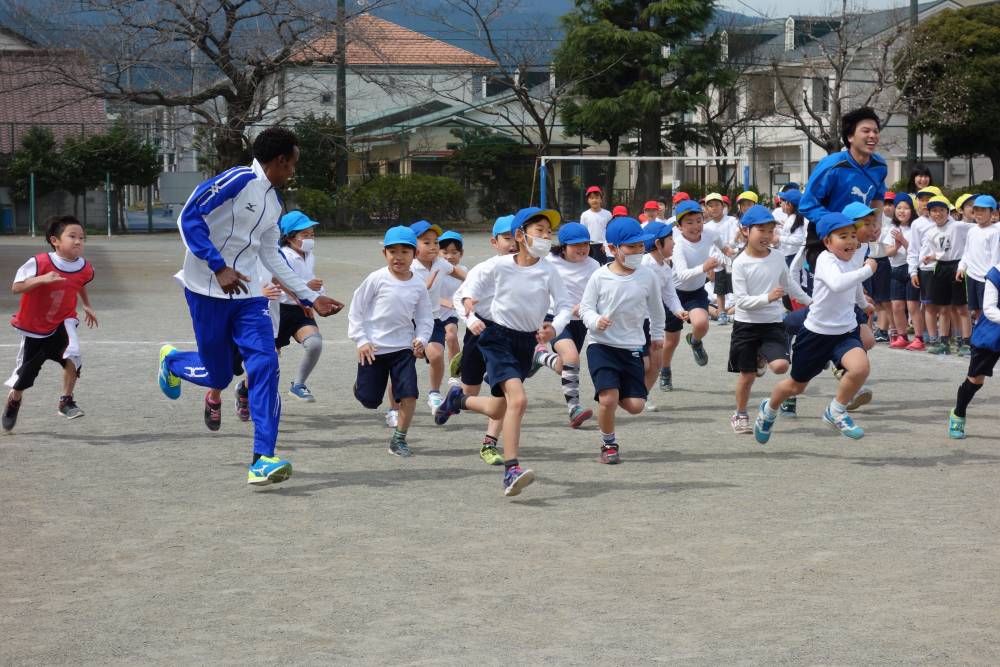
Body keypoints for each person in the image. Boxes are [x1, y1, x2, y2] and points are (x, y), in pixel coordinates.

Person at [156, 127, 342, 486]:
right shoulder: (237, 180)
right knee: (220, 376)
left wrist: (309, 297)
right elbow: (188, 218)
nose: (294, 171)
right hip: (204, 289)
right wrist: (218, 266)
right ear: (280, 159)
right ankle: (173, 362)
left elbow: (271, 254)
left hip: (249, 298)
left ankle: (262, 458)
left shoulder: (274, 202)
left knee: (266, 364)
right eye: (293, 163)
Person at [435, 207, 572, 497]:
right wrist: (470, 320)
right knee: (518, 401)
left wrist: (553, 328)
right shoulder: (495, 266)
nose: (547, 237)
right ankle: (511, 469)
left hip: (525, 342)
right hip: (496, 337)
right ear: (521, 236)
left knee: (499, 407)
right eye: (540, 231)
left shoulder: (549, 271)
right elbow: (463, 296)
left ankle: (457, 399)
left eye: (550, 232)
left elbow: (563, 307)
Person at [754, 212, 877, 443]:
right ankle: (768, 410)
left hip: (845, 331)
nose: (850, 241)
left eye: (852, 235)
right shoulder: (825, 260)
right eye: (843, 236)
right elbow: (839, 284)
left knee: (860, 368)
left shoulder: (851, 258)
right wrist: (869, 269)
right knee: (795, 387)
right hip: (816, 334)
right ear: (828, 242)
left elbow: (854, 283)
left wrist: (863, 304)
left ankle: (836, 410)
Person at [579, 217, 665, 464]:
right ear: (613, 248)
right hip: (601, 345)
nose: (638, 251)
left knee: (636, 406)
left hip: (632, 347)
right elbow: (585, 309)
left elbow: (657, 311)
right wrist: (596, 321)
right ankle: (608, 444)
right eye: (631, 247)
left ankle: (647, 376)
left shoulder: (647, 276)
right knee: (608, 398)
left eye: (640, 246)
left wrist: (657, 336)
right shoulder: (599, 276)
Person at [3, 216, 97, 432]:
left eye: (81, 238)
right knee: (24, 376)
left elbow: (79, 282)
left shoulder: (84, 267)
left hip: (64, 321)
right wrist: (41, 279)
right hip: (34, 328)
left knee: (73, 355)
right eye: (72, 236)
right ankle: (14, 399)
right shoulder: (39, 262)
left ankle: (66, 401)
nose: (78, 241)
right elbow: (16, 287)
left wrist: (87, 305)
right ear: (55, 240)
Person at [348, 226, 433, 457]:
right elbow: (356, 310)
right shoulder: (376, 279)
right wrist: (361, 340)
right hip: (373, 349)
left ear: (414, 255)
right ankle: (361, 388)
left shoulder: (418, 285)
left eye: (405, 251)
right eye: (392, 251)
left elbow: (425, 317)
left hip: (403, 349)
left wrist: (422, 339)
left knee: (409, 393)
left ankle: (399, 439)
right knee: (369, 400)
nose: (399, 256)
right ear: (384, 254)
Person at [728, 205, 811, 434]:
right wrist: (768, 297)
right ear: (746, 231)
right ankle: (740, 413)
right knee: (747, 376)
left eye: (770, 230)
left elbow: (789, 284)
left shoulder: (777, 257)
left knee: (782, 366)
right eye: (761, 230)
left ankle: (763, 357)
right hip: (746, 326)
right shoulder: (740, 263)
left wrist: (809, 301)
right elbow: (741, 302)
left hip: (773, 323)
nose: (766, 236)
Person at [450, 216, 518, 466]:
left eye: (516, 237)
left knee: (507, 395)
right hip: (479, 331)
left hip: (509, 335)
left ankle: (489, 444)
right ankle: (456, 399)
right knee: (471, 391)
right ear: (494, 241)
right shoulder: (484, 268)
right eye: (506, 238)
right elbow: (460, 298)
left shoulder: (530, 268)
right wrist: (471, 321)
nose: (513, 243)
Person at [538, 222, 600, 428]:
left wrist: (583, 306)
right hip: (554, 318)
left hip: (580, 322)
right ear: (563, 246)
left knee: (565, 365)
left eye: (585, 244)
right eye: (575, 245)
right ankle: (574, 408)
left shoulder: (593, 265)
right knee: (572, 357)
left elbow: (598, 294)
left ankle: (540, 358)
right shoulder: (548, 262)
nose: (582, 248)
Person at [669, 199, 735, 374]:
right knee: (671, 340)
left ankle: (695, 342)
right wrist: (704, 268)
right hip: (673, 294)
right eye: (689, 222)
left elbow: (720, 242)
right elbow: (682, 274)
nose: (696, 226)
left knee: (701, 324)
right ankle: (666, 371)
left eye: (699, 220)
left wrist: (727, 251)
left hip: (695, 293)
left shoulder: (709, 233)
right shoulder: (678, 245)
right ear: (679, 226)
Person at [409, 220, 466, 416]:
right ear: (413, 245)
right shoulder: (410, 266)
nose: (433, 246)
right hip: (407, 322)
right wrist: (424, 287)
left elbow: (463, 275)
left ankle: (434, 393)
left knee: (435, 355)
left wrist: (478, 284)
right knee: (402, 367)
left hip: (432, 320)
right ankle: (393, 408)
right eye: (426, 242)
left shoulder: (441, 263)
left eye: (435, 242)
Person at [270, 211, 327, 402]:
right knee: (268, 359)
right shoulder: (281, 255)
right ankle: (245, 390)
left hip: (300, 309)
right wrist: (306, 290)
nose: (310, 238)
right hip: (278, 310)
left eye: (312, 234)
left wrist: (318, 297)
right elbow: (276, 283)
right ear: (289, 237)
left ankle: (298, 384)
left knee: (314, 344)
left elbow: (311, 281)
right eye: (305, 235)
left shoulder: (309, 255)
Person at [799, 107, 887, 223]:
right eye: (866, 131)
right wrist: (838, 224)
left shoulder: (880, 166)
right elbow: (806, 206)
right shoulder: (831, 166)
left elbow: (878, 197)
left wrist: (875, 222)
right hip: (825, 232)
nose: (872, 135)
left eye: (875, 131)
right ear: (850, 137)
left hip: (858, 232)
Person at [948, 258, 1000, 438]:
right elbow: (989, 309)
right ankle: (958, 413)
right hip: (991, 333)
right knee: (975, 380)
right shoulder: (995, 274)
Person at [640, 221, 687, 401]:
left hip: (653, 324)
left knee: (656, 363)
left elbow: (670, 295)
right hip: (638, 323)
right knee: (643, 364)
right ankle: (631, 392)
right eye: (670, 239)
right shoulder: (643, 264)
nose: (674, 243)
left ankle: (642, 396)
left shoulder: (666, 268)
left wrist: (679, 311)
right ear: (658, 244)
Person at [920, 195, 970, 355]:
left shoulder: (957, 226)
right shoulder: (930, 232)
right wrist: (932, 257)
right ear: (929, 213)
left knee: (961, 307)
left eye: (941, 210)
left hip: (957, 266)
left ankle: (966, 342)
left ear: (948, 211)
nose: (938, 213)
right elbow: (942, 250)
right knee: (943, 307)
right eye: (934, 210)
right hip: (940, 268)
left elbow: (976, 229)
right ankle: (944, 342)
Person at [886, 194, 924, 349]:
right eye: (899, 207)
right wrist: (896, 246)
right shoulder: (891, 229)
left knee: (913, 306)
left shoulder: (915, 228)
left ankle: (919, 338)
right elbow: (888, 252)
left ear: (912, 210)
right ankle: (902, 336)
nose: (902, 211)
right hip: (895, 270)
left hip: (911, 269)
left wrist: (903, 240)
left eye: (906, 208)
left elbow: (917, 252)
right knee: (896, 306)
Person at [908, 185, 943, 346]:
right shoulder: (917, 224)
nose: (924, 203)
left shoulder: (949, 221)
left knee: (945, 306)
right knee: (928, 305)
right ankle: (931, 336)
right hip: (926, 269)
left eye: (928, 200)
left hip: (944, 267)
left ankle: (946, 336)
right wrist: (913, 271)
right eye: (921, 200)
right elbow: (913, 249)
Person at [958, 195, 1000, 324]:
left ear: (992, 212)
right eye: (976, 210)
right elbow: (967, 251)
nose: (979, 213)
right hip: (971, 276)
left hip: (986, 279)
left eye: (983, 210)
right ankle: (978, 335)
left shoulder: (995, 232)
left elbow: (995, 256)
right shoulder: (972, 230)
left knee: (987, 310)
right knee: (975, 310)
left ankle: (986, 338)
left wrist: (991, 278)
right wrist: (961, 267)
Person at [703, 192, 741, 325]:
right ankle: (722, 313)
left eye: (717, 205)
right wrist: (710, 263)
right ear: (707, 208)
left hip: (732, 259)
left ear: (723, 206)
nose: (714, 208)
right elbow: (707, 247)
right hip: (717, 262)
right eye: (711, 206)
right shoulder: (706, 227)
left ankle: (740, 311)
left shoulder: (732, 221)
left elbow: (736, 240)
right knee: (720, 289)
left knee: (736, 286)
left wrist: (732, 251)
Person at [436, 230, 467, 383]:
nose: (449, 256)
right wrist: (444, 302)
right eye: (445, 252)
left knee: (451, 335)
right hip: (431, 314)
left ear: (461, 254)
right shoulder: (434, 271)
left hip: (450, 315)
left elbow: (470, 292)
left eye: (454, 252)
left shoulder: (464, 272)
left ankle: (455, 373)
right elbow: (426, 294)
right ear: (437, 252)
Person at [580, 185, 612, 264]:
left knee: (606, 266)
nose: (594, 200)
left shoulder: (608, 214)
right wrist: (585, 245)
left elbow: (610, 231)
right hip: (590, 245)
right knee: (592, 266)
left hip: (604, 245)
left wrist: (606, 244)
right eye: (591, 198)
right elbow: (583, 232)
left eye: (597, 197)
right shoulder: (585, 215)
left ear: (601, 199)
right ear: (588, 200)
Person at [775, 189, 807, 268]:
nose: (780, 204)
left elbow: (799, 239)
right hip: (790, 255)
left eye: (781, 202)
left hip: (791, 257)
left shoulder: (793, 219)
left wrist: (779, 238)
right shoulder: (793, 218)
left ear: (788, 204)